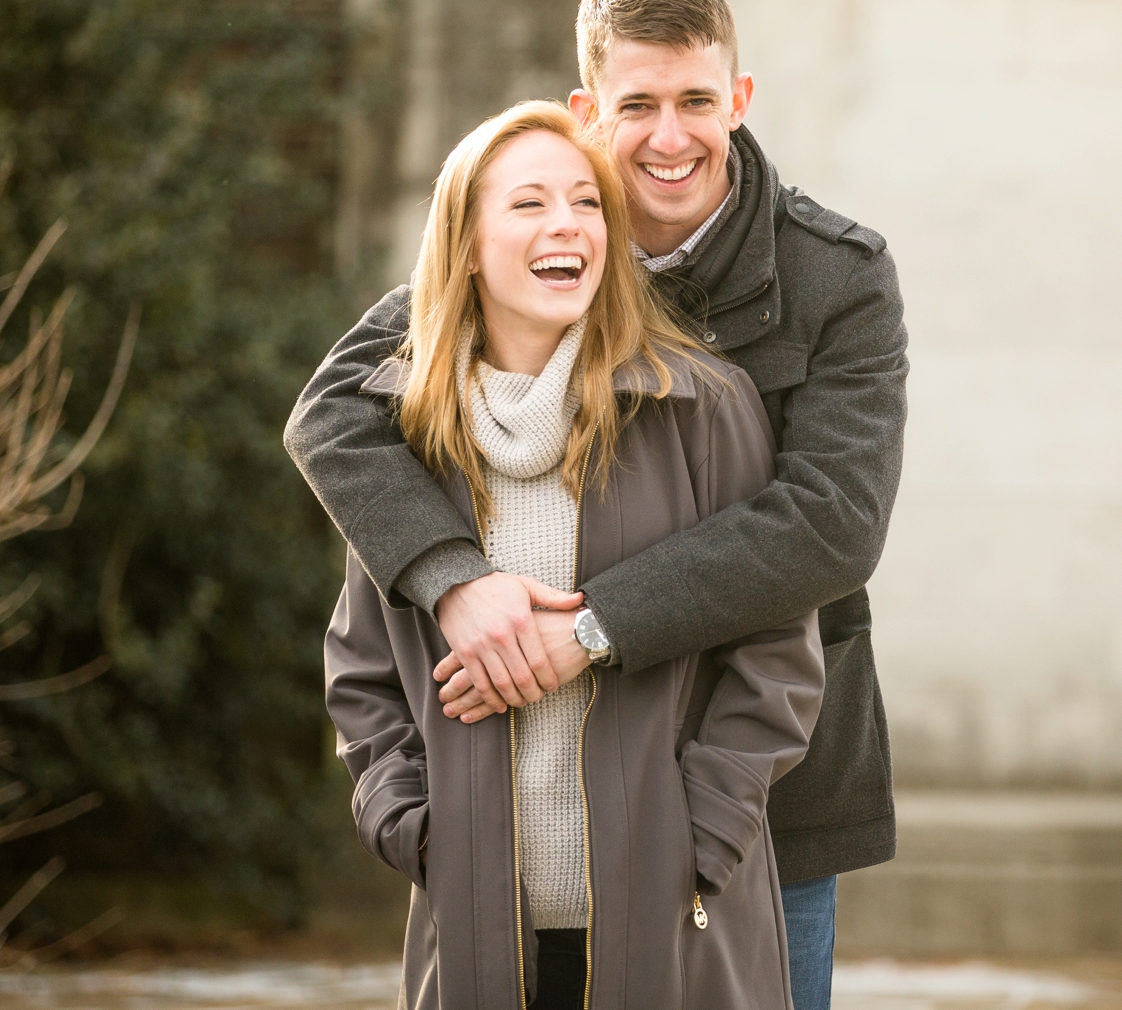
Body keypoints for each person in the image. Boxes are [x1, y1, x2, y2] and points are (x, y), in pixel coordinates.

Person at [288, 0, 907, 1010]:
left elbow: (831, 525)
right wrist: (452, 581)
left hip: (766, 792)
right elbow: (333, 410)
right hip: (520, 823)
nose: (670, 139)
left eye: (696, 102)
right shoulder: (542, 237)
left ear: (737, 100)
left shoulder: (833, 275)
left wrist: (579, 634)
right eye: (637, 106)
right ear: (590, 110)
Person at [324, 100, 822, 1009]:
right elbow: (362, 669)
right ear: (466, 243)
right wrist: (414, 831)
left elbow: (775, 649)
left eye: (587, 201)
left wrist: (700, 838)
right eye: (529, 204)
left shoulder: (698, 407)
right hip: (477, 931)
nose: (567, 224)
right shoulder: (407, 439)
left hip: (677, 927)